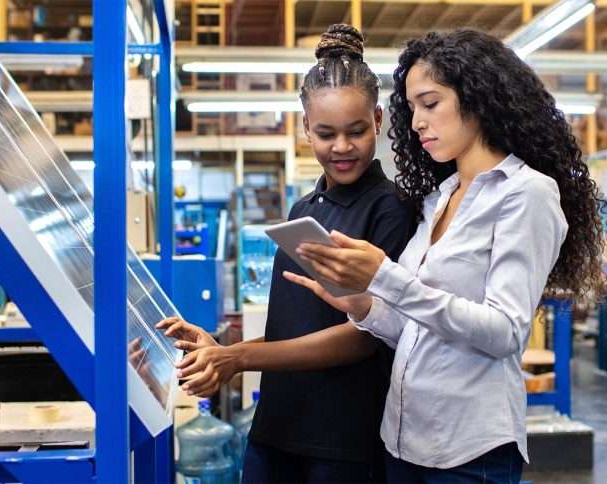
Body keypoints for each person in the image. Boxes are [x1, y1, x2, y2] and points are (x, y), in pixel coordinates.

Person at [284, 29, 607, 483]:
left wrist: (387, 277)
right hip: (403, 440)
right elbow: (417, 330)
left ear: (476, 98)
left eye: (430, 103)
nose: (416, 122)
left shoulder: (526, 194)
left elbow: (505, 331)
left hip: (470, 449)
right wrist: (364, 305)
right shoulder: (440, 198)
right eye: (412, 107)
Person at [155, 24, 416, 483]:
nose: (341, 147)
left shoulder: (390, 210)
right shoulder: (304, 210)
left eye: (356, 131)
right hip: (276, 430)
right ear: (304, 128)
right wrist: (226, 350)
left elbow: (365, 336)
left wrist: (237, 360)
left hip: (342, 442)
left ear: (378, 119)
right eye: (325, 133)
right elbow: (290, 330)